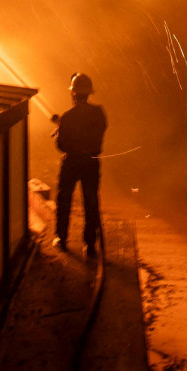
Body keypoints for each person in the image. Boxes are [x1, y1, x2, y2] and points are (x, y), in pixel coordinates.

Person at [52, 72, 108, 256]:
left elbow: (61, 145)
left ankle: (61, 238)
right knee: (91, 201)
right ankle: (90, 244)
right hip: (91, 162)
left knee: (64, 199)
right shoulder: (99, 113)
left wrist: (61, 131)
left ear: (74, 93)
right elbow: (95, 135)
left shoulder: (68, 117)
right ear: (89, 92)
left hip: (72, 163)